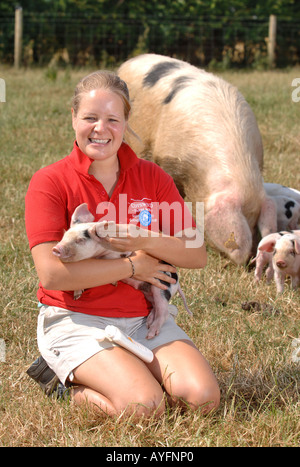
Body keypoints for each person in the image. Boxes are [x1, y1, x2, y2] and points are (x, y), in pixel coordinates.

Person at [25, 70, 220, 418]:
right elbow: (52, 275)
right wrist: (134, 266)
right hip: (76, 318)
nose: (101, 129)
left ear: (127, 122)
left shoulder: (153, 176)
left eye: (113, 119)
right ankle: (66, 385)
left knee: (202, 399)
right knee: (144, 408)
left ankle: (129, 370)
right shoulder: (49, 181)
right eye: (90, 118)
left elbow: (197, 254)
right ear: (73, 118)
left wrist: (145, 238)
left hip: (140, 317)